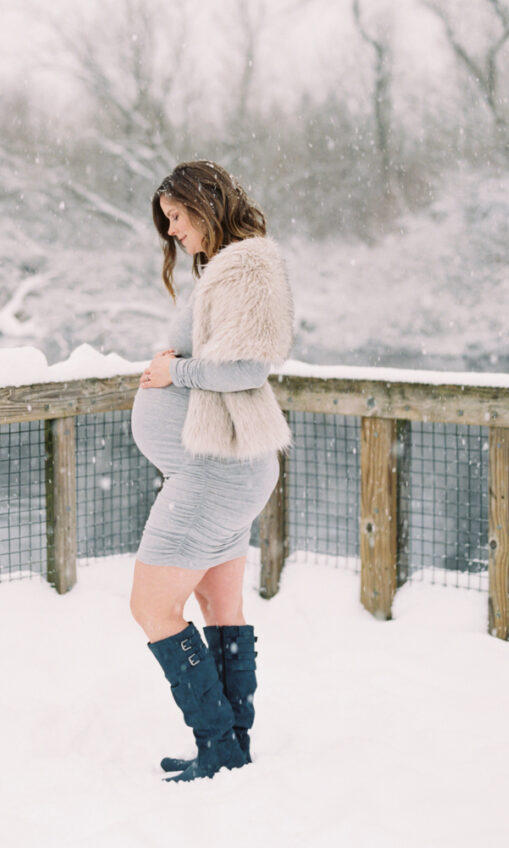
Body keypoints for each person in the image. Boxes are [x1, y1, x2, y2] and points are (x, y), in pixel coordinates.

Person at [130, 160, 294, 783]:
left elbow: (247, 370)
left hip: (215, 474)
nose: (172, 232)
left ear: (204, 206)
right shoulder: (236, 267)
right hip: (224, 468)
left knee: (151, 606)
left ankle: (217, 743)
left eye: (176, 217)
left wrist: (176, 372)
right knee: (217, 602)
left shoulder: (246, 267)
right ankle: (232, 748)